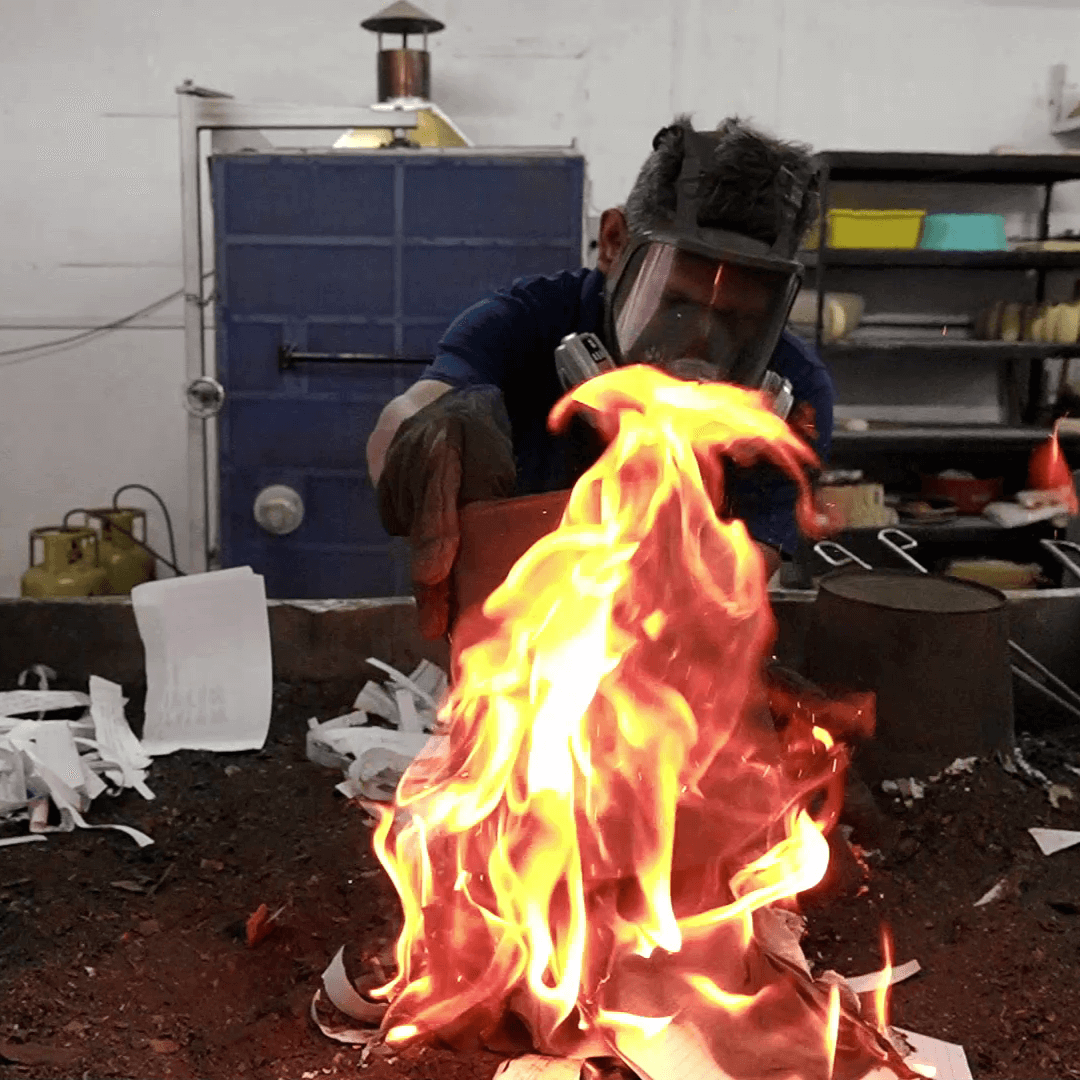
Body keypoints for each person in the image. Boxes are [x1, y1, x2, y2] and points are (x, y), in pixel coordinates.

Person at [368, 116, 834, 639]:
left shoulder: (794, 391)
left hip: (654, 656)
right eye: (675, 304)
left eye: (739, 320)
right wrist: (417, 442)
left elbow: (738, 583)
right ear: (613, 243)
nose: (702, 345)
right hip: (501, 637)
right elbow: (407, 413)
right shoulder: (526, 322)